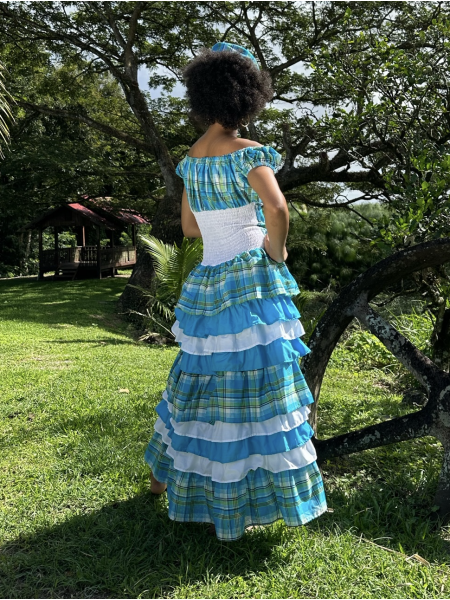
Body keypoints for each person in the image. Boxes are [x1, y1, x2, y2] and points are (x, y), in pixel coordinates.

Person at [144, 42, 327, 542]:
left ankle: (165, 478)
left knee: (199, 375)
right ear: (247, 96)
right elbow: (278, 208)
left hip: (209, 278)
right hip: (249, 276)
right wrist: (276, 250)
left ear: (202, 96)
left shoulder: (191, 160)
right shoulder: (248, 153)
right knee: (259, 377)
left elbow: (189, 229)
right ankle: (245, 495)